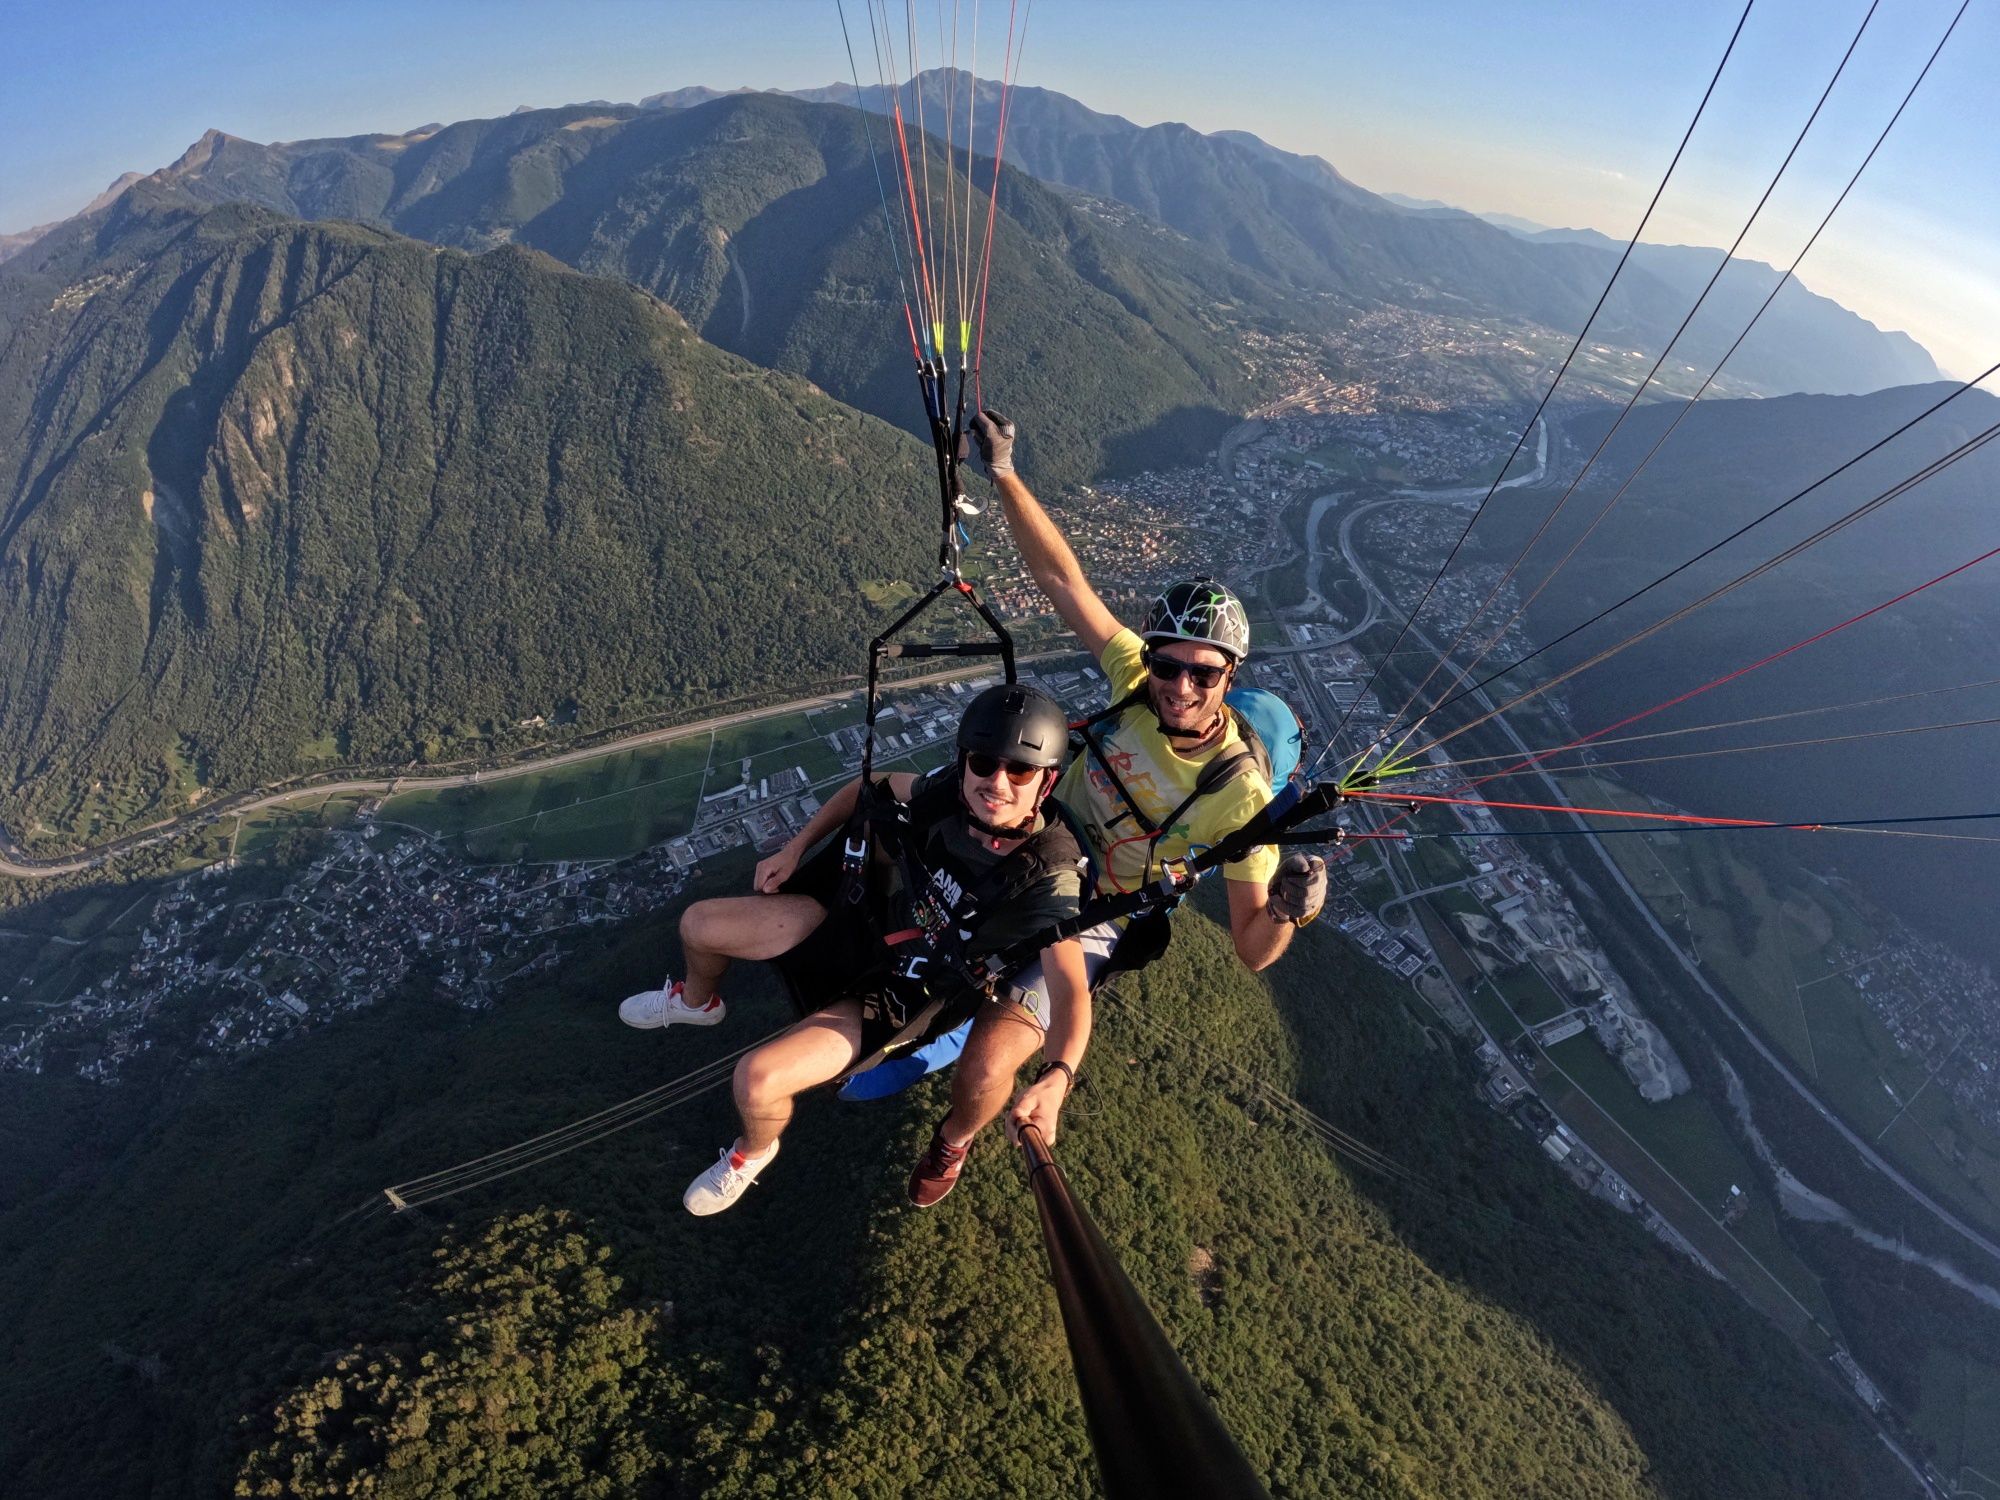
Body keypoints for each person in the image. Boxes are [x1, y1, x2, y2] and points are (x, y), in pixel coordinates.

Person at [909, 411, 1329, 1194]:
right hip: (1023, 840)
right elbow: (1062, 578)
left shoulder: (1239, 796)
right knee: (889, 817)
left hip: (1089, 914)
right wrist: (1002, 472)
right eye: (1170, 667)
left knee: (986, 1065)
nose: (1179, 687)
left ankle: (954, 1141)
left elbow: (1249, 948)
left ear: (1229, 677)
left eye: (1203, 675)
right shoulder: (1135, 680)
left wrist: (1289, 911)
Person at [618, 684, 1092, 1215]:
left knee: (756, 1082)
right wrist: (796, 848)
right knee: (698, 924)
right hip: (862, 929)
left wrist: (1058, 1075)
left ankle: (750, 1153)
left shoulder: (1049, 876)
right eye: (983, 762)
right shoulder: (947, 793)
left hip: (901, 994)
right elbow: (868, 790)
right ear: (964, 762)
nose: (996, 783)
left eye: (1020, 771)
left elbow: (1070, 990)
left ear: (1046, 781)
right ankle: (697, 1002)